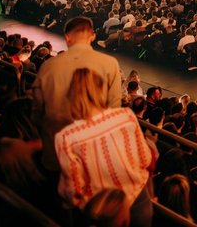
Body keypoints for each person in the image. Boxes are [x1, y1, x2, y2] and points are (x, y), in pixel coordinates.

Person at [54, 68, 154, 227]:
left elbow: (73, 190)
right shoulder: (126, 116)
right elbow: (145, 159)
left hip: (100, 212)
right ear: (102, 90)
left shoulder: (66, 136)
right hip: (136, 202)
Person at [31, 16, 123, 171]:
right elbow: (114, 109)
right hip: (91, 157)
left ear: (67, 36)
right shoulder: (110, 64)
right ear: (93, 36)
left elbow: (37, 112)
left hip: (55, 153)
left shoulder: (48, 66)